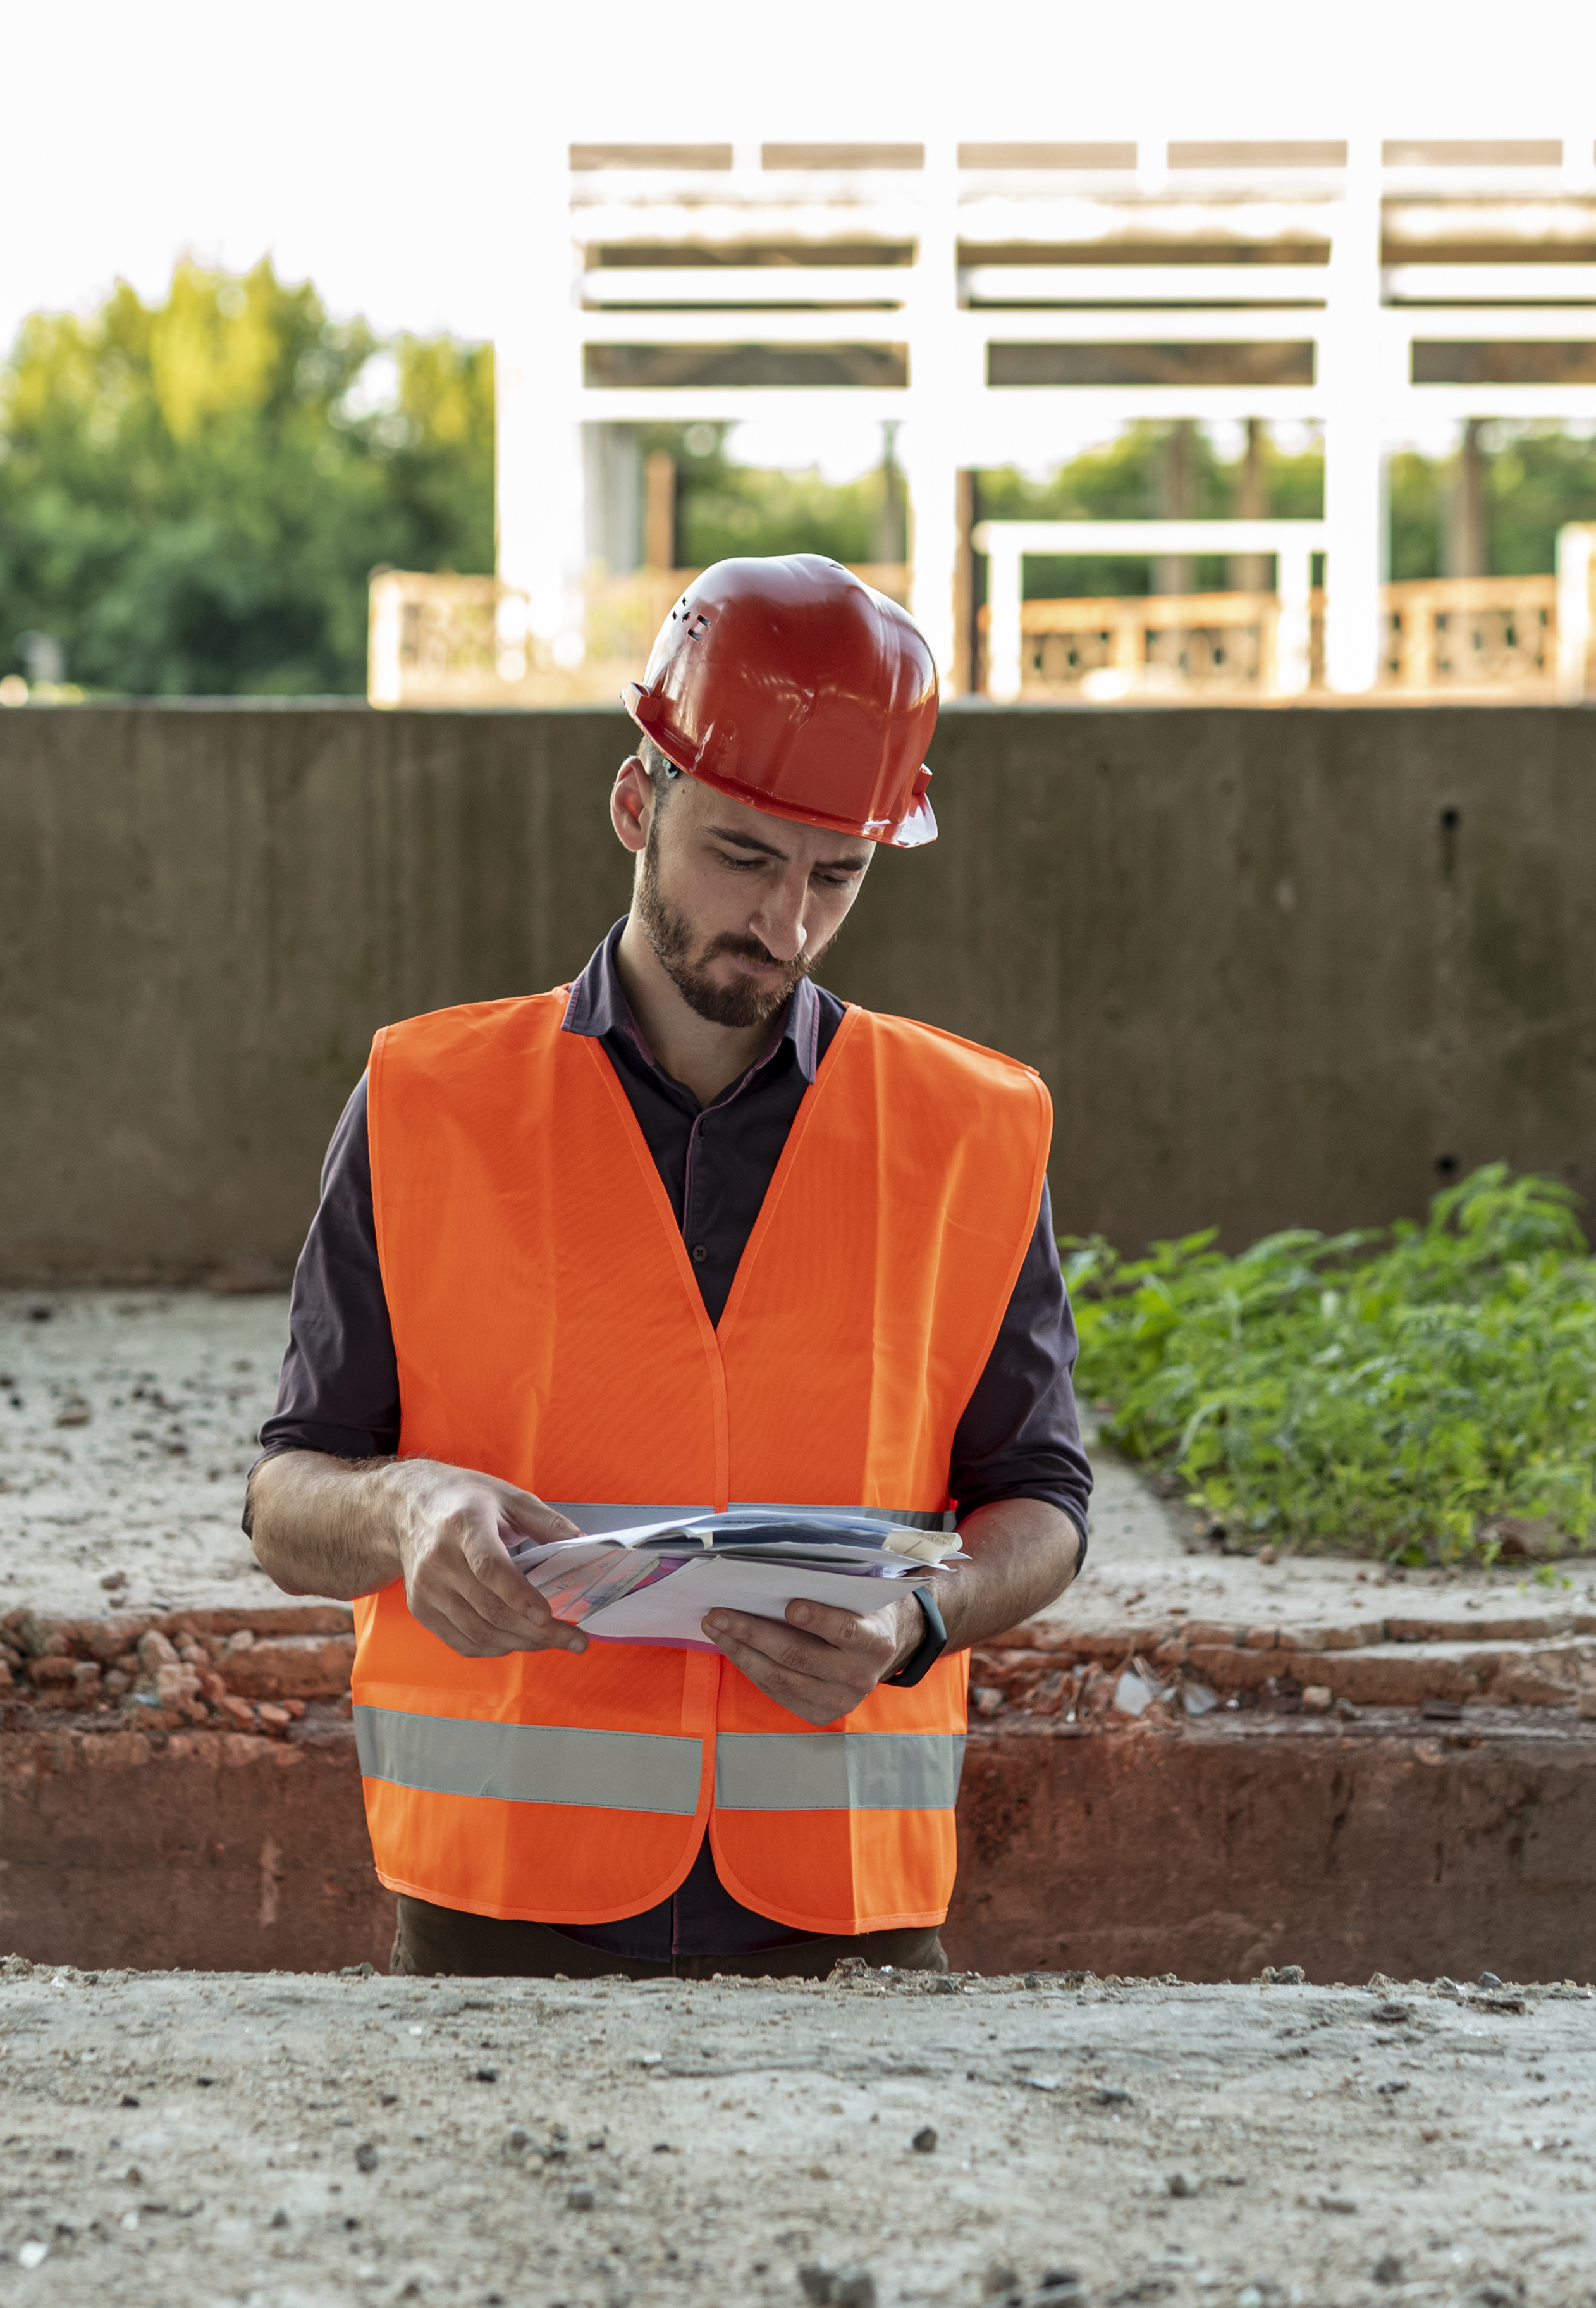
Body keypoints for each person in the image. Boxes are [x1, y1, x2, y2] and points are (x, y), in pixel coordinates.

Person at [245, 553, 1091, 1979]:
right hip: (500, 1906)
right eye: (745, 857)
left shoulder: (973, 1129)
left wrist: (920, 1612)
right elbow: (286, 1499)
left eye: (840, 874)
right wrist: (403, 1509)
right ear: (638, 801)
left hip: (848, 1912)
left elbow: (1046, 1503)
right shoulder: (425, 1098)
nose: (788, 923)